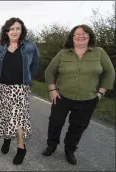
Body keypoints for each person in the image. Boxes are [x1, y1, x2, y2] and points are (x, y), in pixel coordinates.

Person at [42, 24, 115, 165]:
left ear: (90, 36)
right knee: (55, 122)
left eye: (85, 33)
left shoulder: (99, 52)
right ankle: (51, 145)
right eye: (77, 34)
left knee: (78, 126)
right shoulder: (63, 53)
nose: (81, 36)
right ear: (72, 37)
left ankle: (70, 150)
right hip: (61, 96)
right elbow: (49, 72)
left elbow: (110, 72)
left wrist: (100, 93)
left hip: (88, 98)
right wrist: (52, 90)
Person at [0, 17, 39, 165]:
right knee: (4, 115)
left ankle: (21, 148)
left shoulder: (30, 46)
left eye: (18, 28)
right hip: (1, 87)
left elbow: (34, 66)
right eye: (11, 28)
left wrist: (26, 81)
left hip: (19, 88)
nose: (14, 31)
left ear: (22, 30)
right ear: (6, 31)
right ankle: (6, 139)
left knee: (17, 118)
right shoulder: (1, 47)